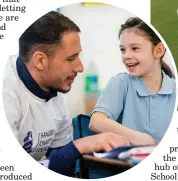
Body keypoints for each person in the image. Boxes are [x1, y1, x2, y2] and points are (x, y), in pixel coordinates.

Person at [2, 11, 129, 176]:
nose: (80, 67)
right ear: (40, 60)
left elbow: (60, 165)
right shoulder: (6, 92)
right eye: (71, 58)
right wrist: (81, 145)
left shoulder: (55, 88)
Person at [89, 17, 176, 145]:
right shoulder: (121, 83)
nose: (126, 56)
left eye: (134, 48)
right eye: (123, 50)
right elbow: (96, 122)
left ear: (158, 51)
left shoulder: (174, 88)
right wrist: (141, 139)